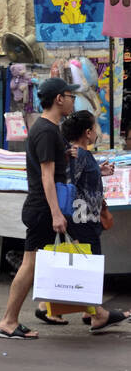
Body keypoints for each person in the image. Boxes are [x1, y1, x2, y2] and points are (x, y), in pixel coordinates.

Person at [0, 77, 84, 339]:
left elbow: (49, 166)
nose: (72, 101)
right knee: (30, 264)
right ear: (59, 99)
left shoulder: (50, 128)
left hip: (44, 206)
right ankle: (8, 321)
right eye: (70, 96)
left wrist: (63, 156)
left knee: (34, 263)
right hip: (42, 207)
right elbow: (46, 176)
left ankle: (43, 309)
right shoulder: (45, 130)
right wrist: (56, 213)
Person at [34, 110, 128, 332]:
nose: (97, 132)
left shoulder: (82, 155)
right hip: (82, 218)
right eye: (95, 128)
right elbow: (68, 181)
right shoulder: (78, 155)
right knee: (89, 265)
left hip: (84, 217)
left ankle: (53, 307)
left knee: (84, 265)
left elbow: (79, 178)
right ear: (87, 133)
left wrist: (98, 172)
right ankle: (97, 315)